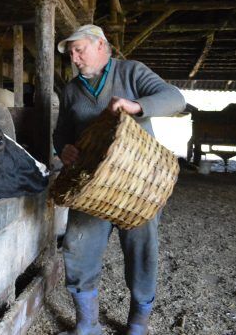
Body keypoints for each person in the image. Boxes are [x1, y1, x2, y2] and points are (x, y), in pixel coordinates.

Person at [53, 25, 185, 335]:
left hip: (138, 185)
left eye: (78, 50)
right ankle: (87, 325)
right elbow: (62, 133)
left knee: (142, 251)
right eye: (71, 53)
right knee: (77, 247)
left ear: (100, 45)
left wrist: (136, 106)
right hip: (92, 186)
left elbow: (175, 98)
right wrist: (65, 149)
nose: (74, 57)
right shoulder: (72, 91)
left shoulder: (131, 72)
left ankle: (138, 324)